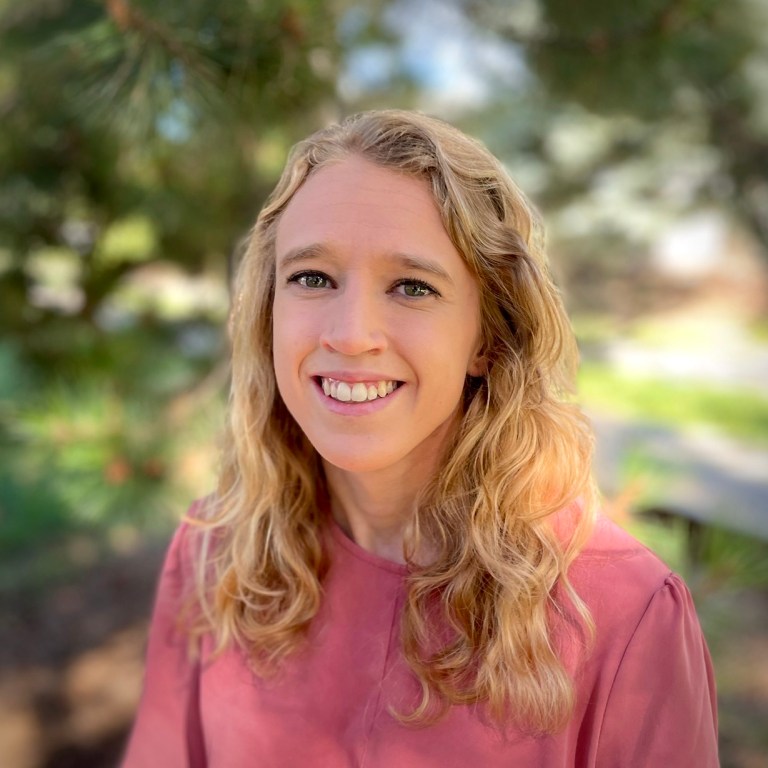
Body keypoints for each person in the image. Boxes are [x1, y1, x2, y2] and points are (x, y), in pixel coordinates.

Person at [121, 109, 718, 767]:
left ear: (488, 340)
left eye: (412, 287)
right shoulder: (212, 555)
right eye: (312, 278)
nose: (349, 334)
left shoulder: (623, 614)